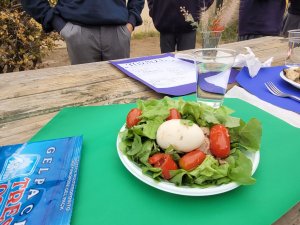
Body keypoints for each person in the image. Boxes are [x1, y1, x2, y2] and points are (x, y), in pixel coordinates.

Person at [20, 0, 145, 65]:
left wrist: (131, 21)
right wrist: (59, 24)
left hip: (118, 33)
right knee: (86, 96)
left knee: (120, 95)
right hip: (78, 34)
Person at [147, 0, 214, 53]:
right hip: (164, 21)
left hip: (188, 25)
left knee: (186, 63)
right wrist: (154, 8)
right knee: (167, 64)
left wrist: (199, 6)